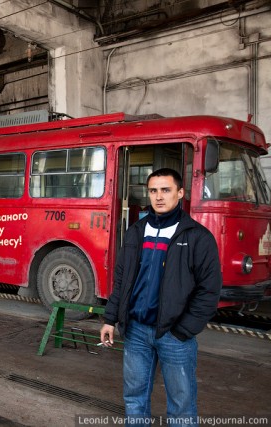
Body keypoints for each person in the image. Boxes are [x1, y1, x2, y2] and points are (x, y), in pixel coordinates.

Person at [100, 168, 222, 427]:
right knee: (134, 399)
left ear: (180, 193)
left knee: (181, 407)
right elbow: (121, 280)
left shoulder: (198, 237)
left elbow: (209, 290)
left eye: (166, 190)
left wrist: (183, 330)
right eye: (153, 190)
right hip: (136, 332)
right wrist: (110, 319)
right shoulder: (136, 232)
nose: (159, 197)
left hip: (174, 335)